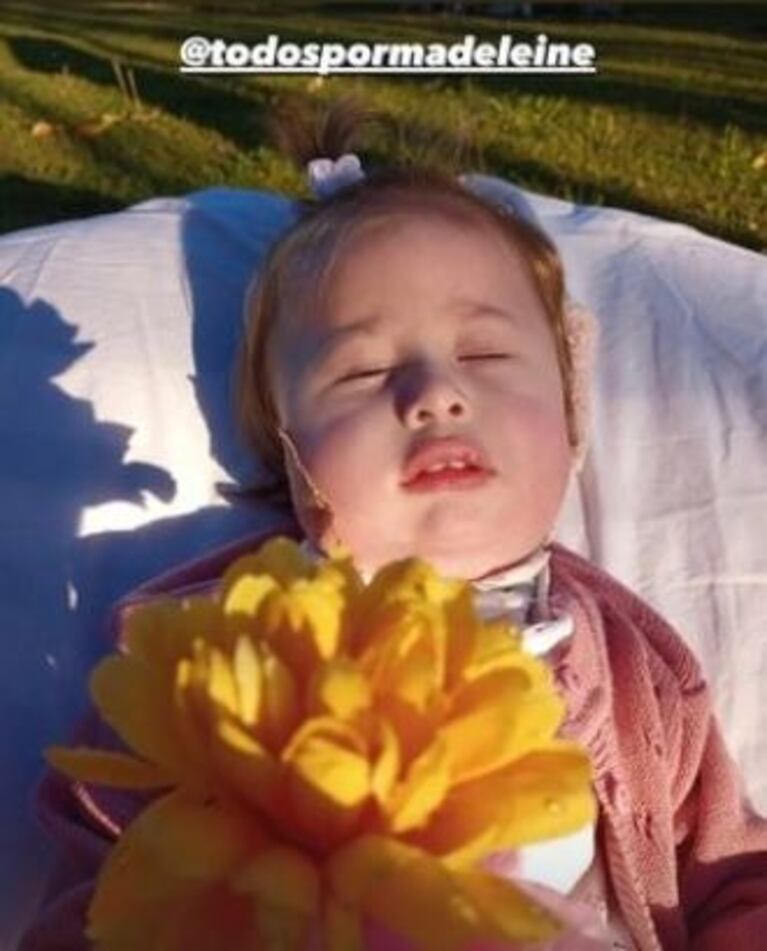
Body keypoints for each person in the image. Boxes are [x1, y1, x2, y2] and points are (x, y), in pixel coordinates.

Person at [21, 99, 767, 950]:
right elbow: (99, 890)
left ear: (571, 418)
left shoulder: (636, 670)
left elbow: (732, 872)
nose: (435, 394)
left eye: (484, 354)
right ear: (285, 451)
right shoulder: (213, 661)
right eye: (363, 370)